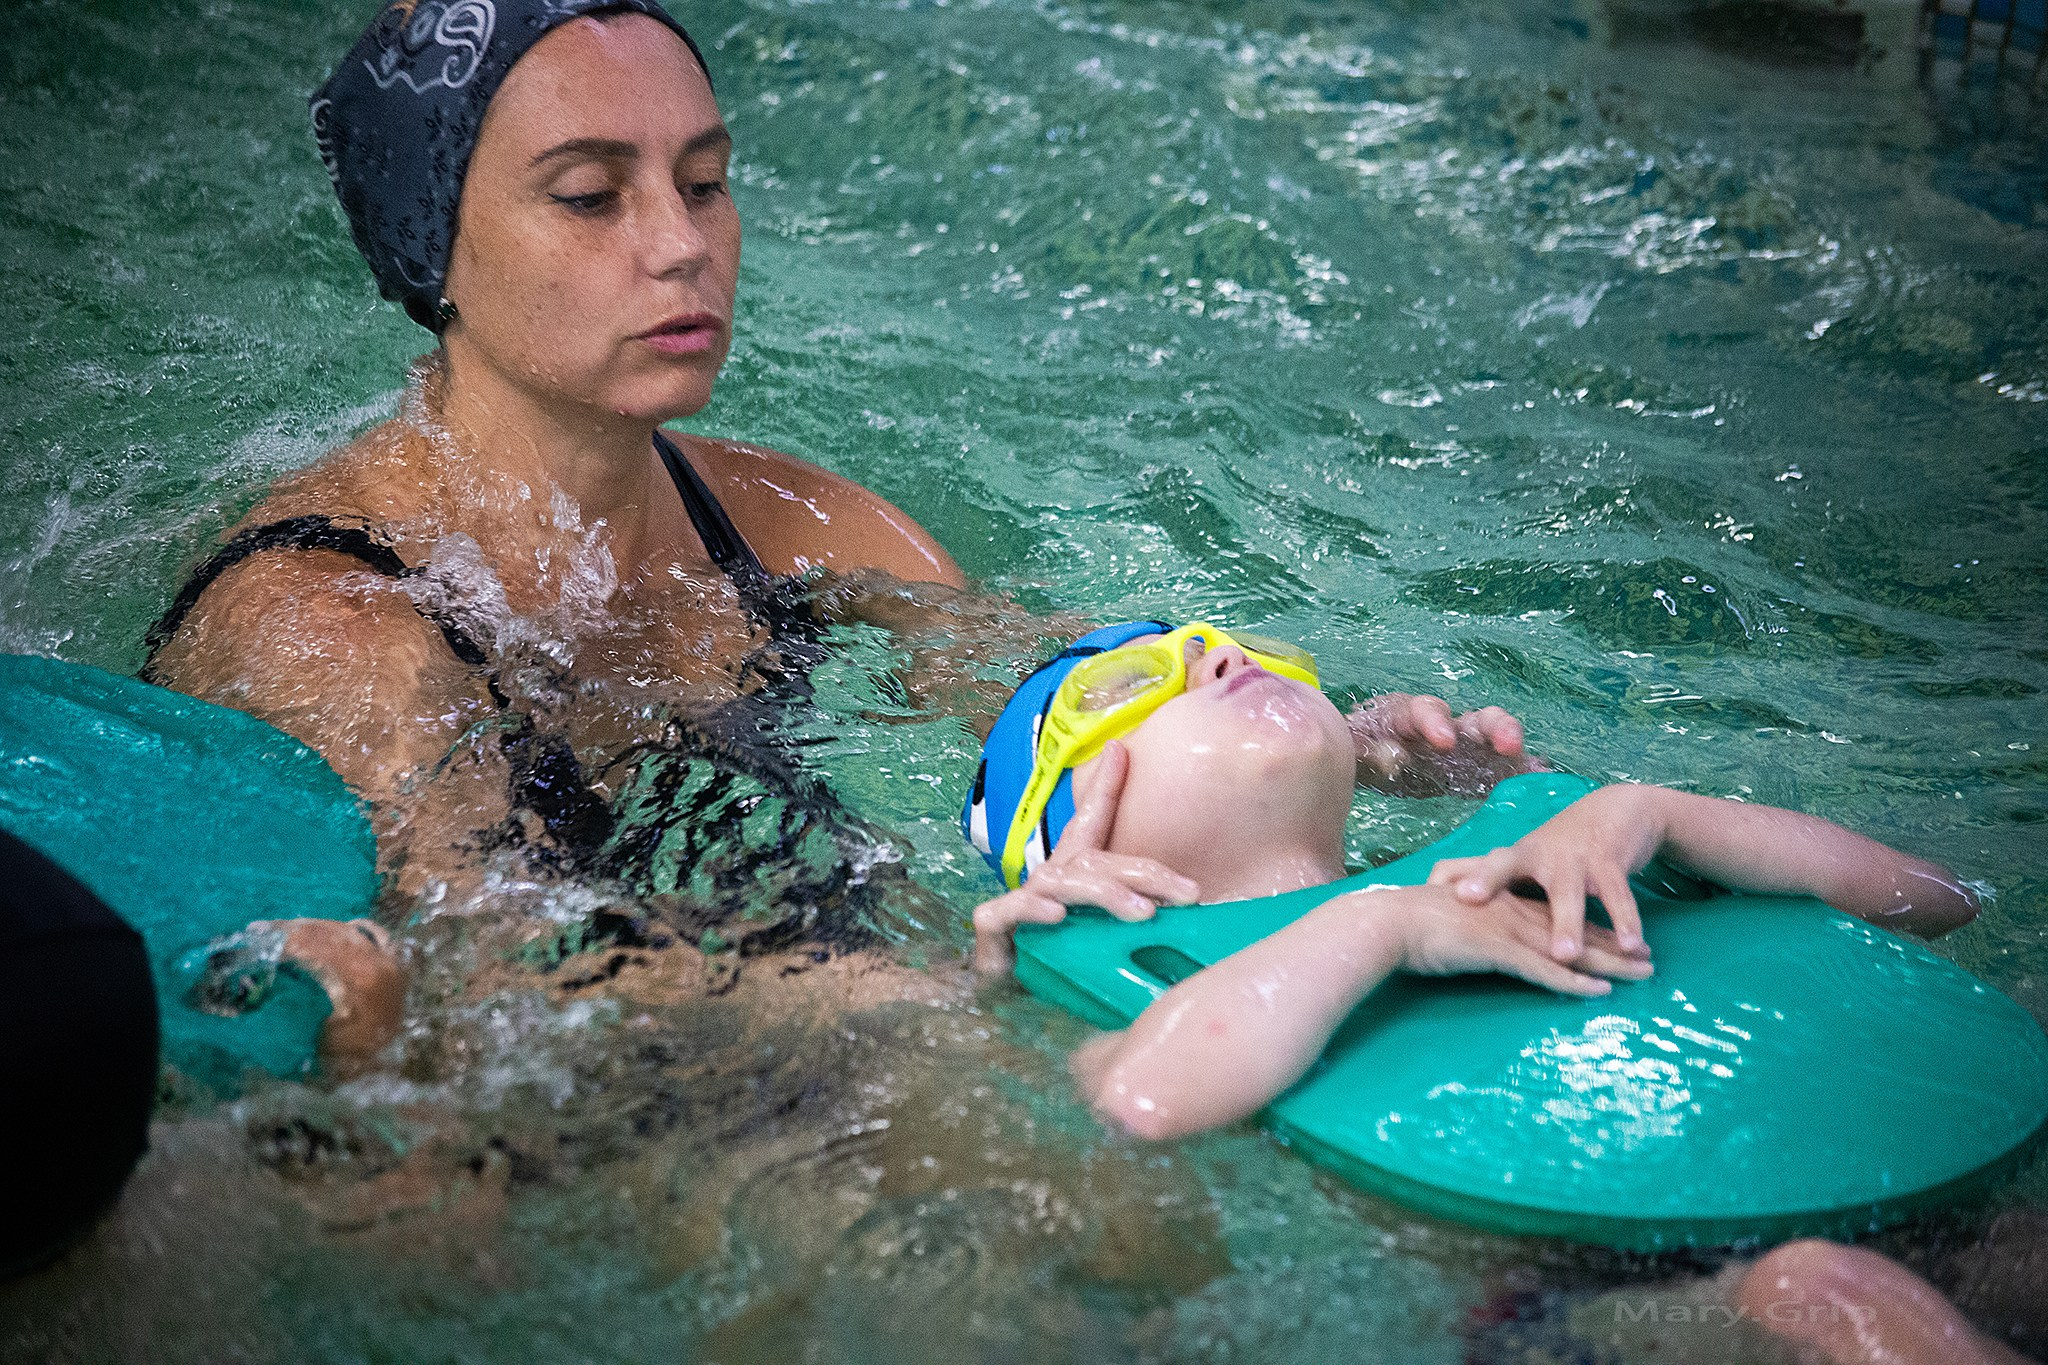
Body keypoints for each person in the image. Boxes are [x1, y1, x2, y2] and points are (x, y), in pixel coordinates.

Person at [139, 1, 1532, 1011]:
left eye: (704, 181)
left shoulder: (798, 526)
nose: (683, 245)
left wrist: (1326, 750)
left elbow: (1048, 701)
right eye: (589, 198)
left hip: (828, 994)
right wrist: (910, 993)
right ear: (428, 244)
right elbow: (486, 993)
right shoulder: (332, 622)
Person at [965, 620, 1980, 1140]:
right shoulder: (1093, 991)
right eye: (1132, 685)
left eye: (1228, 641)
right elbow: (1140, 1101)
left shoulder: (1508, 869)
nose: (1217, 655)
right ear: (1065, 837)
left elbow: (1933, 900)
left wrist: (1654, 813)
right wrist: (1382, 928)